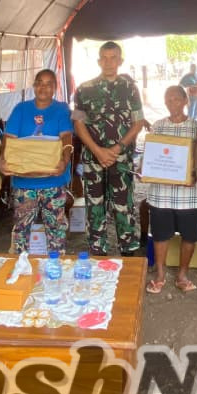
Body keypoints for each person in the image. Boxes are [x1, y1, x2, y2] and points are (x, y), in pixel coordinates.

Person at [73, 41, 146, 255]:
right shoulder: (84, 89)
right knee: (95, 206)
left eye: (113, 57)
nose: (108, 62)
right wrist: (97, 150)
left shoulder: (130, 88)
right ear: (98, 61)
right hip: (93, 159)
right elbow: (78, 123)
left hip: (121, 159)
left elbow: (139, 121)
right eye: (104, 58)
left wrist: (118, 147)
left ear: (120, 61)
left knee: (124, 206)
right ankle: (98, 250)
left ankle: (128, 251)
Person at [2, 69, 74, 254]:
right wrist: (3, 160)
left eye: (49, 83)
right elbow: (9, 138)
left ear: (55, 87)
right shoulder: (21, 109)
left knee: (56, 230)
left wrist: (65, 160)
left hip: (54, 181)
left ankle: (56, 270)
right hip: (24, 183)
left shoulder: (61, 109)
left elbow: (66, 137)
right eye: (40, 83)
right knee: (21, 229)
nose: (44, 87)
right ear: (34, 86)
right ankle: (20, 269)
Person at [140, 86, 197, 293]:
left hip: (189, 193)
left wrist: (195, 172)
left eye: (176, 99)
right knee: (160, 235)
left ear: (186, 101)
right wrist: (145, 166)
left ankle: (182, 275)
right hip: (161, 194)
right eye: (168, 100)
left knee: (190, 236)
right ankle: (160, 274)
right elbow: (150, 155)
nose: (172, 103)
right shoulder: (158, 126)